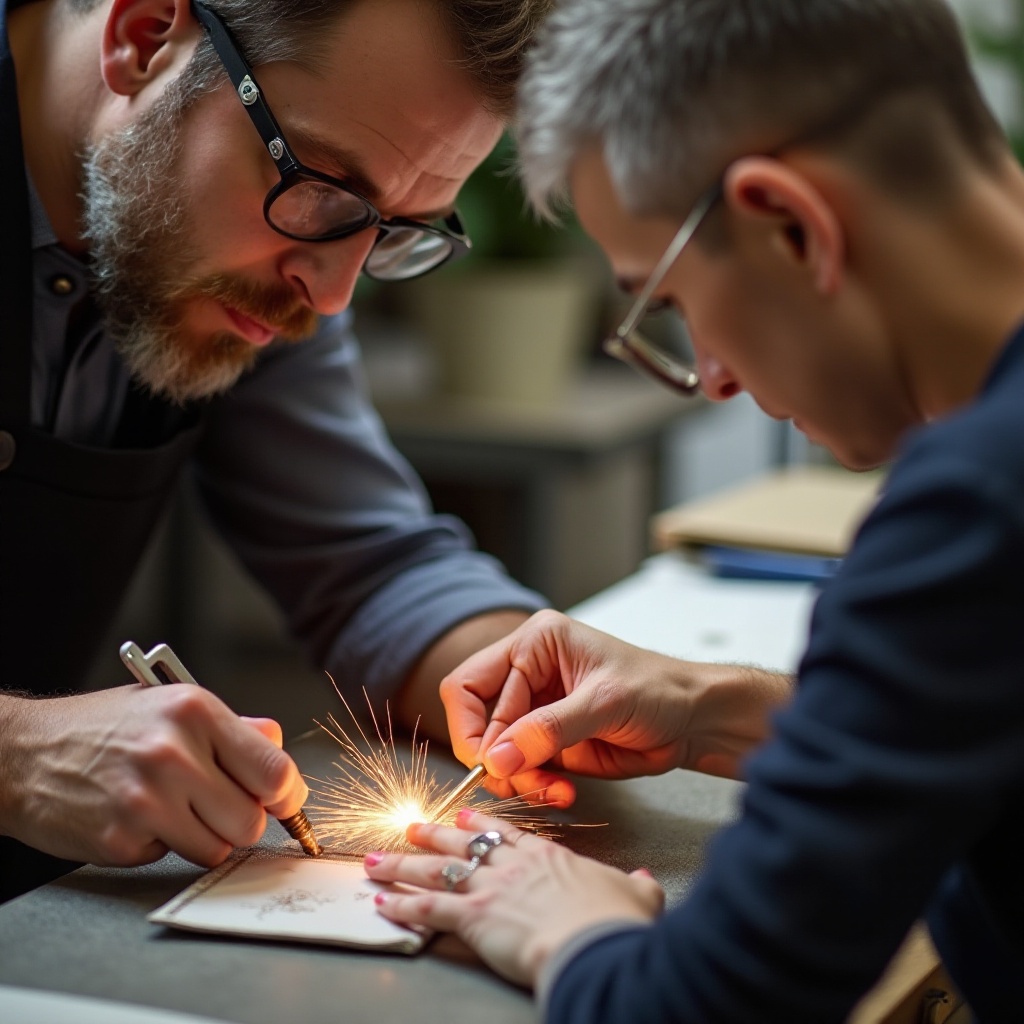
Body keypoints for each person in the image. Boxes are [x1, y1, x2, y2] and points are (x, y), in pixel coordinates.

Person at [362, 0, 1024, 1020]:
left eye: (663, 304)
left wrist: (555, 916)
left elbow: (705, 1003)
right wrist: (717, 704)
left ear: (788, 224)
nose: (710, 380)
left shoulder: (972, 509)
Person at [0, 0, 551, 902]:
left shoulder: (258, 259)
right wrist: (16, 756)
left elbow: (369, 565)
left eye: (394, 232)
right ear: (144, 37)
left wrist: (531, 672)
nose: (331, 298)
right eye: (329, 195)